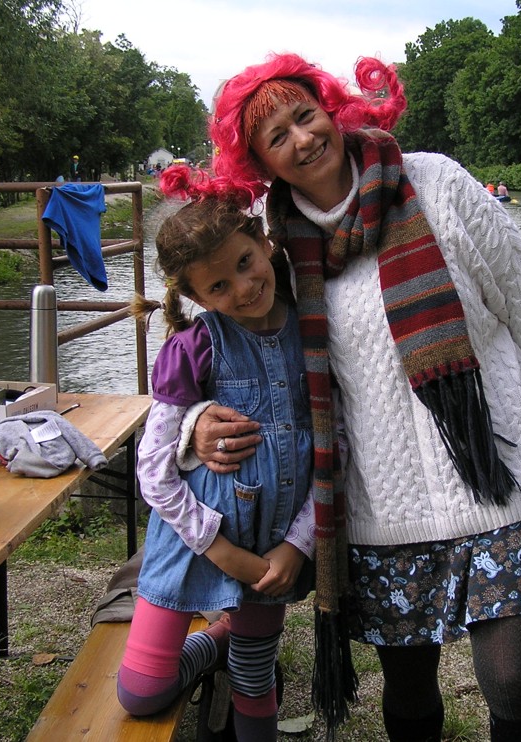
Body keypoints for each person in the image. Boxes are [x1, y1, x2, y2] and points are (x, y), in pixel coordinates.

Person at [189, 53, 521, 742]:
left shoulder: (438, 183)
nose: (302, 138)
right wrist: (194, 423)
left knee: (512, 683)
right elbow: (223, 349)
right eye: (277, 136)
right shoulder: (270, 246)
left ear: (331, 108)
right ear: (260, 163)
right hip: (382, 505)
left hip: (503, 474)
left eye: (305, 115)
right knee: (407, 688)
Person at [117, 168, 315, 741]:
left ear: (263, 242)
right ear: (196, 297)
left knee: (255, 682)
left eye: (245, 263)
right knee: (142, 691)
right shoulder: (193, 348)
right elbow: (154, 471)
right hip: (192, 544)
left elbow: (338, 446)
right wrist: (220, 550)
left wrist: (298, 544)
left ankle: (237, 647)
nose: (244, 288)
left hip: (271, 545)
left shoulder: (315, 333)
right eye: (219, 287)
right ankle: (215, 641)